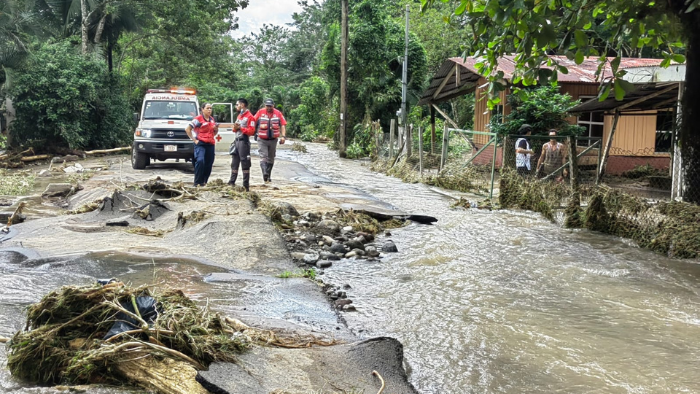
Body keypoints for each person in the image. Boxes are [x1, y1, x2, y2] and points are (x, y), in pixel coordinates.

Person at [185, 103, 219, 187]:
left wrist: (216, 129)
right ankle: (197, 182)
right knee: (200, 161)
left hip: (210, 144)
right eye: (207, 108)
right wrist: (194, 140)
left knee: (209, 164)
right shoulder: (197, 119)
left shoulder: (212, 119)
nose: (209, 110)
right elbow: (187, 129)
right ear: (202, 109)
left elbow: (214, 133)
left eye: (210, 108)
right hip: (200, 143)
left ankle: (204, 182)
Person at [254, 98, 287, 183]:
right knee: (263, 156)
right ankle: (265, 173)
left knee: (271, 158)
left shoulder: (278, 113)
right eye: (267, 106)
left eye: (270, 106)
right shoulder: (260, 112)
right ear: (265, 105)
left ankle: (268, 175)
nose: (268, 108)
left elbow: (283, 125)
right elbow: (253, 121)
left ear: (273, 106)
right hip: (262, 139)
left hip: (273, 139)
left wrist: (283, 136)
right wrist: (253, 132)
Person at [228, 98, 256, 191]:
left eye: (237, 104)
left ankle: (245, 185)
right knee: (234, 162)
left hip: (244, 142)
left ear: (242, 105)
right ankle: (232, 182)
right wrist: (235, 128)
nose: (236, 106)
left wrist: (241, 128)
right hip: (236, 141)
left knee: (245, 162)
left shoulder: (250, 117)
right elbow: (234, 129)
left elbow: (251, 131)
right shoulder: (239, 116)